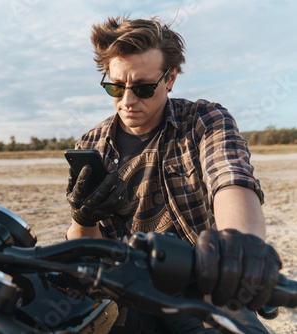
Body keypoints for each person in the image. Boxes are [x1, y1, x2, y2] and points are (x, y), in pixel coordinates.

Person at [65, 15, 282, 333]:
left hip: (201, 283)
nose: (127, 101)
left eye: (143, 87)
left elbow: (230, 178)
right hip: (123, 286)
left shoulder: (203, 120)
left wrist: (240, 244)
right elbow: (85, 252)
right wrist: (82, 218)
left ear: (170, 78)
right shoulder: (90, 145)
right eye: (114, 86)